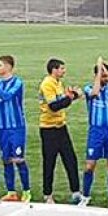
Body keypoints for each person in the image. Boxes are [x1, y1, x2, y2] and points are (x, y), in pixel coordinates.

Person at [0, 55, 31, 202]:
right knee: (6, 160)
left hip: (16, 128)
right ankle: (11, 192)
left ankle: (27, 191)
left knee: (19, 159)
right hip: (2, 129)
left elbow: (7, 96)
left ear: (8, 67)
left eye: (0, 65)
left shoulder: (17, 82)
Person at [78, 57, 108, 208]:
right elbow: (95, 92)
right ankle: (85, 196)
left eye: (106, 76)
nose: (105, 78)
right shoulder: (88, 88)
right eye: (102, 76)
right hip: (96, 131)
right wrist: (99, 72)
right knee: (90, 165)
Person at [38, 58, 81, 204]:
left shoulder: (58, 83)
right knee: (49, 162)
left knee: (70, 159)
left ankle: (76, 192)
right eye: (62, 68)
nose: (64, 71)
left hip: (61, 126)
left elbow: (62, 102)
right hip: (48, 128)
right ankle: (47, 194)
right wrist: (70, 98)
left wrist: (72, 97)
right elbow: (54, 106)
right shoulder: (47, 84)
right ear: (54, 70)